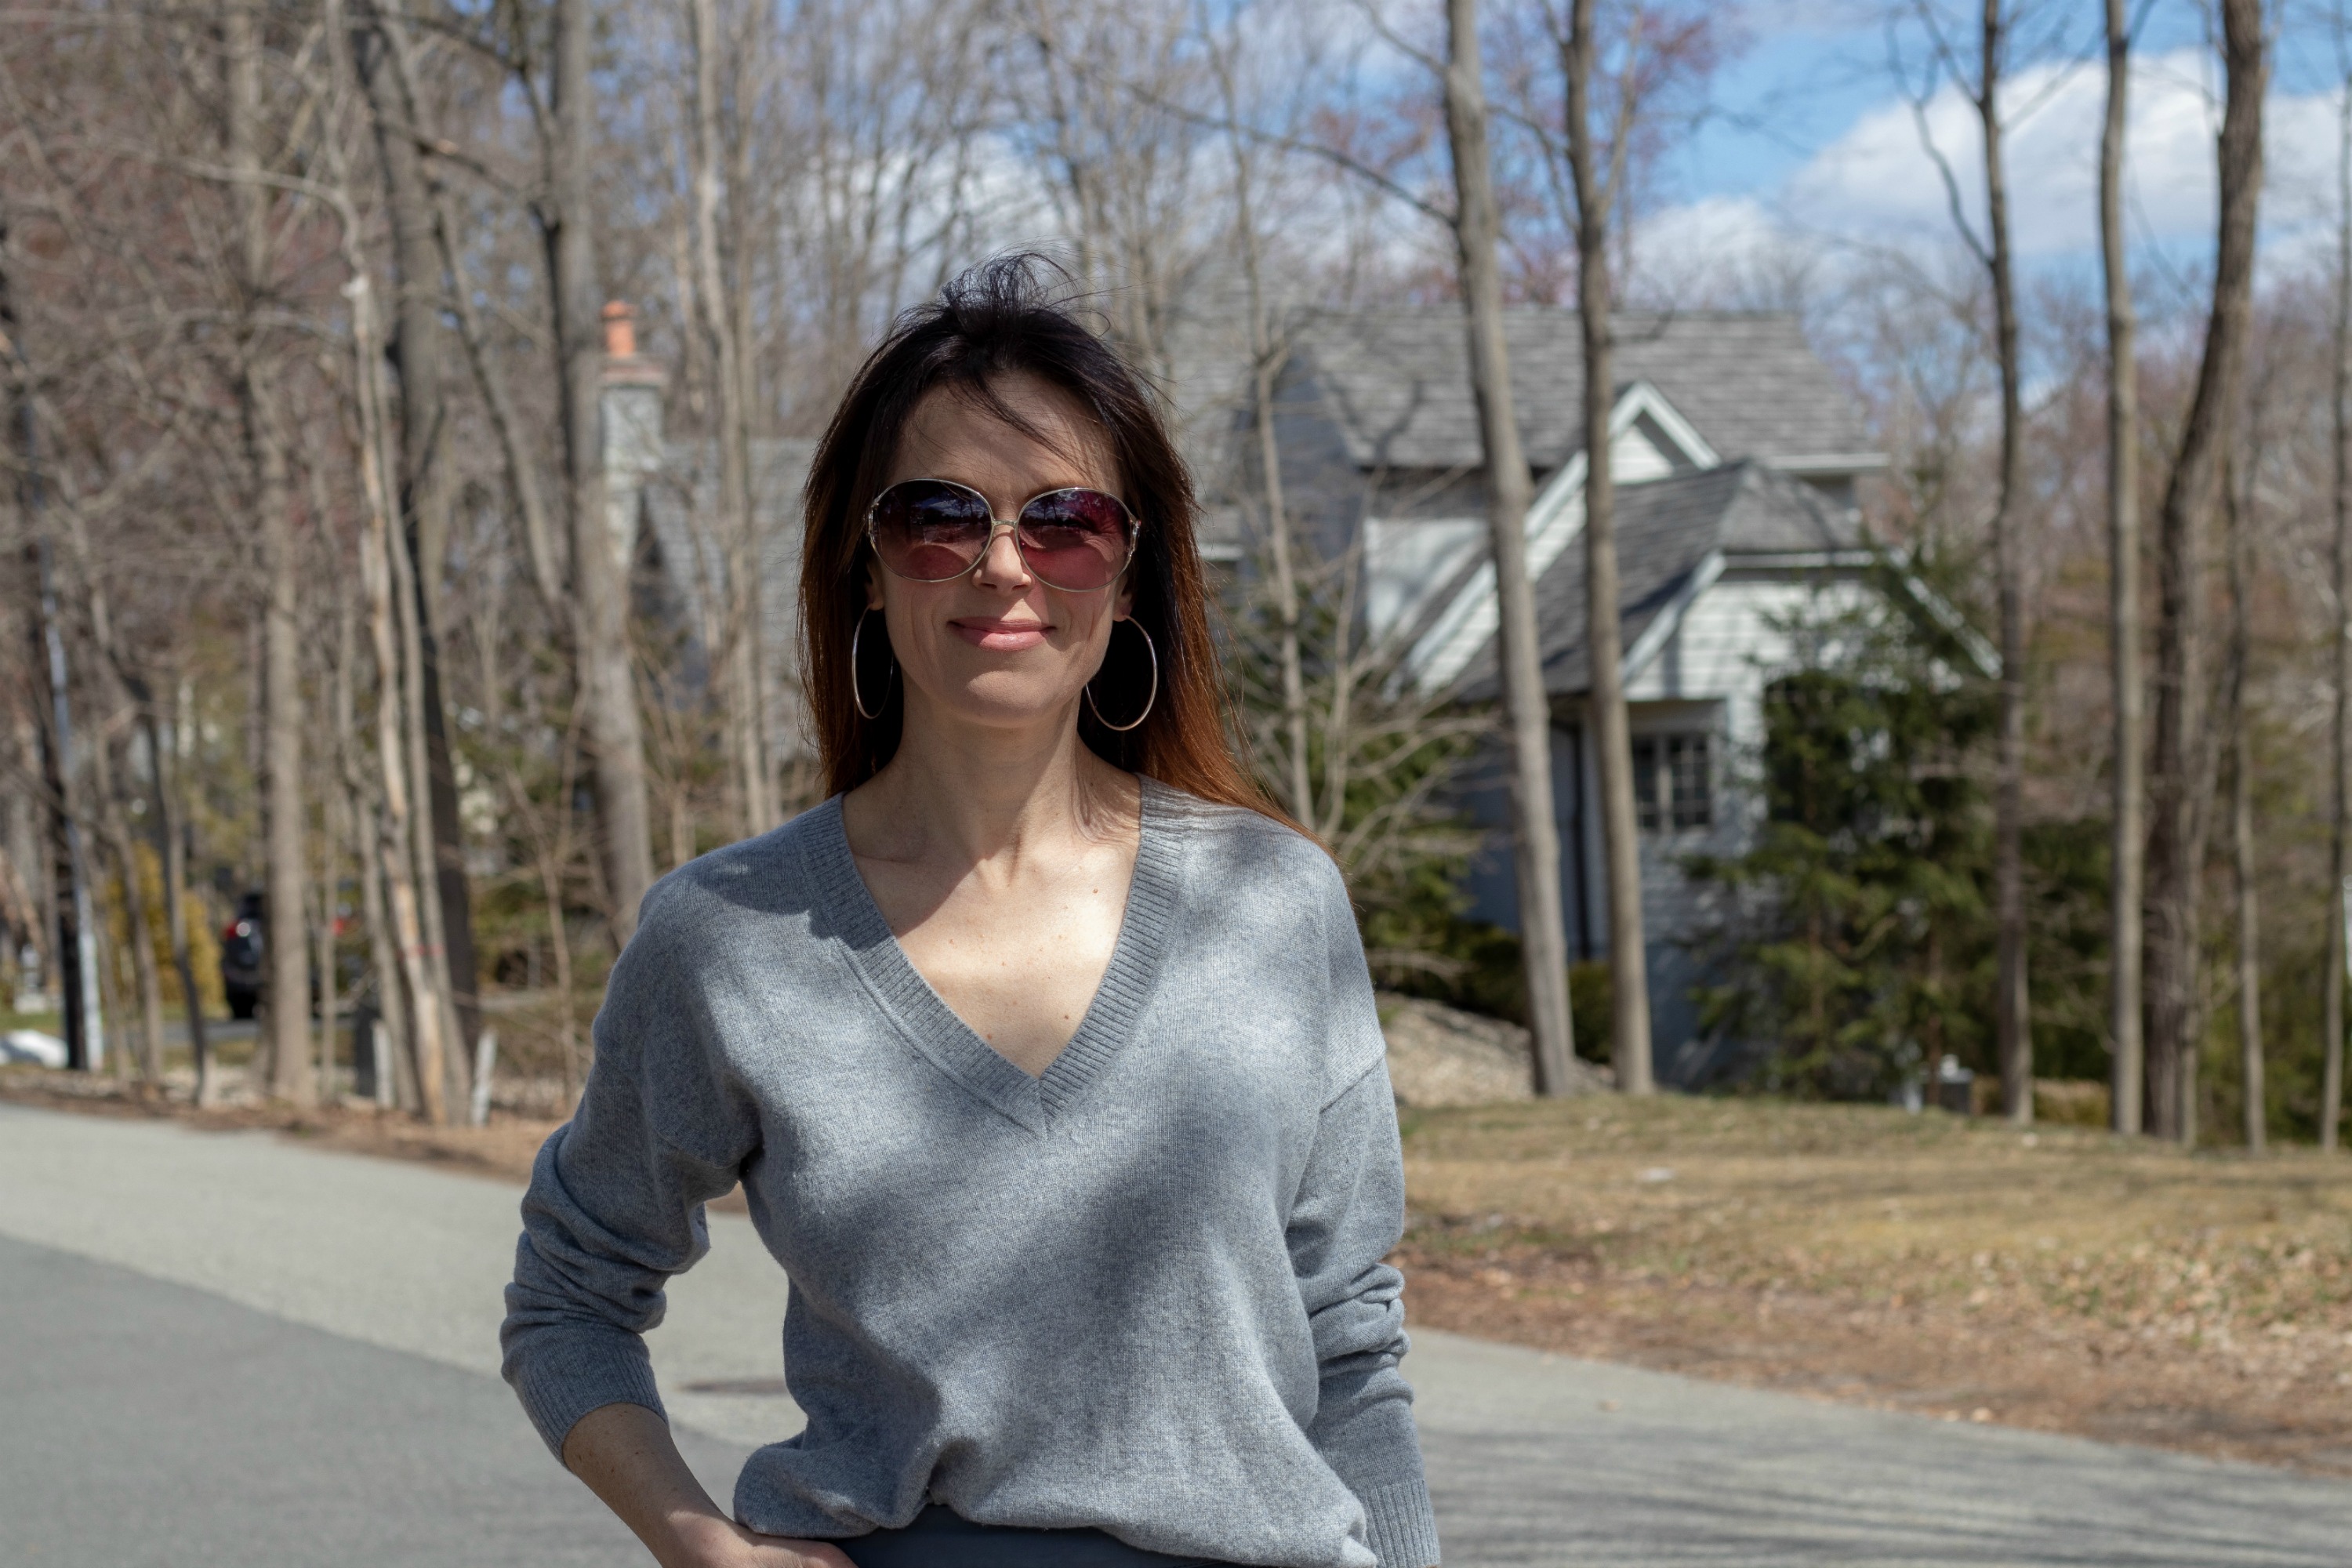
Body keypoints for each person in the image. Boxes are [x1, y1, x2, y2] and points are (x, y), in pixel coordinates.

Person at [499, 257, 1439, 1568]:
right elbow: (567, 1297)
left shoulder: (1276, 905)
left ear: (1126, 573)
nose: (1004, 567)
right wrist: (698, 1544)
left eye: (1065, 522)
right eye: (939, 517)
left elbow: (1350, 1338)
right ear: (867, 568)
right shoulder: (728, 937)